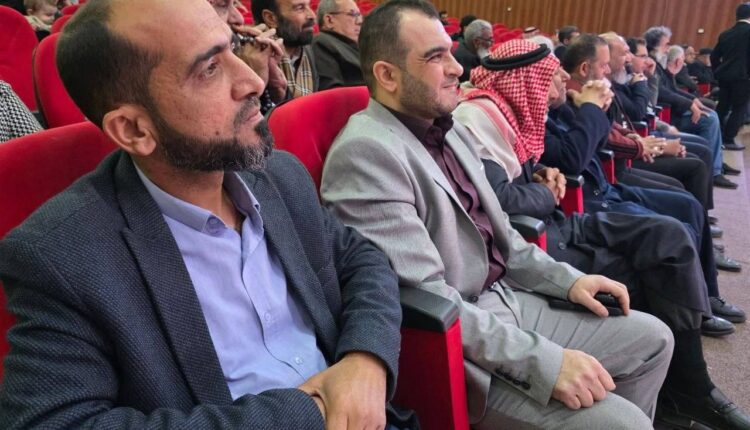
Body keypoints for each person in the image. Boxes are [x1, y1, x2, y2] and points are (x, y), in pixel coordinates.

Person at [0, 0, 409, 428]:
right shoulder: (61, 258)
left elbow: (362, 260)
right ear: (134, 129)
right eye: (209, 69)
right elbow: (54, 422)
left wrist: (365, 359)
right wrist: (314, 411)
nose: (253, 81)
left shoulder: (279, 176)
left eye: (232, 48)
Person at [322, 1, 674, 428]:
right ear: (387, 75)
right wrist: (546, 364)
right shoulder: (366, 153)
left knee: (655, 340)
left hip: (508, 299)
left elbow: (502, 234)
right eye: (435, 57)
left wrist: (568, 281)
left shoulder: (447, 128)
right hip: (460, 345)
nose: (458, 68)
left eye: (451, 52)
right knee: (623, 423)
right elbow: (428, 296)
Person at [454, 39, 750, 429]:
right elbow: (510, 194)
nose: (561, 80)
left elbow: (528, 170)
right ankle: (685, 390)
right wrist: (546, 190)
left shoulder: (513, 111)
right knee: (648, 266)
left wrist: (542, 175)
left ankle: (690, 381)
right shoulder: (480, 117)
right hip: (545, 232)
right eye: (552, 75)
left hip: (562, 217)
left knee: (670, 233)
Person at [252, 0, 319, 99]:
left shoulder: (307, 50)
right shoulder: (252, 58)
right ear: (271, 18)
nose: (312, 15)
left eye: (309, 6)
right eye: (300, 8)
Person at [712, 3, 750, 149]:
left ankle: (717, 136)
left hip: (724, 77)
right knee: (739, 109)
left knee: (723, 106)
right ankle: (728, 139)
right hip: (743, 77)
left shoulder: (725, 34)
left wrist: (717, 72)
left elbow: (714, 57)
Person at [312, 0, 364, 90]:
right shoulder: (321, 43)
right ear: (329, 20)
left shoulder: (357, 47)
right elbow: (332, 90)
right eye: (352, 14)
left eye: (359, 15)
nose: (359, 21)